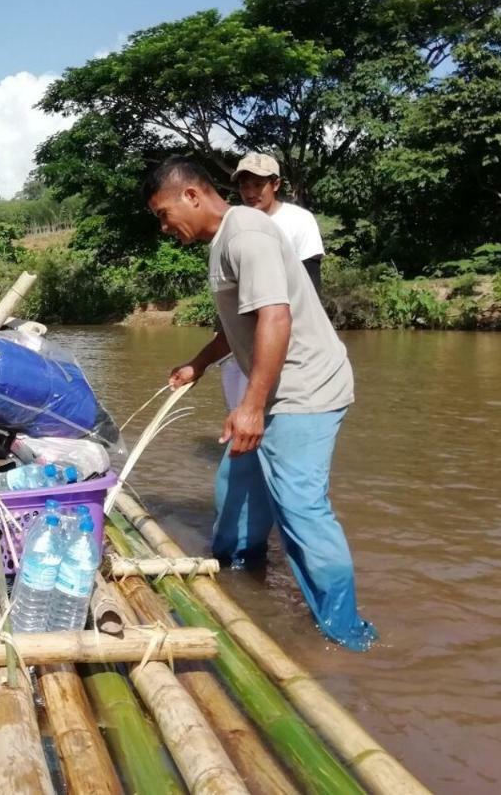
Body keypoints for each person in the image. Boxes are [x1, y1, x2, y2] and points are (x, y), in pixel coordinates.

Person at [144, 156, 377, 651]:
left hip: (305, 390)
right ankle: (237, 577)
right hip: (270, 390)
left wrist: (250, 406)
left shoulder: (247, 234)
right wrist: (199, 363)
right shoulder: (221, 243)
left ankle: (345, 630)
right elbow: (239, 327)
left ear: (192, 195)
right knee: (235, 489)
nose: (165, 227)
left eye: (164, 214)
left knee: (300, 506)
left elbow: (275, 318)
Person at [220, 152, 324, 412]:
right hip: (240, 337)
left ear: (275, 184)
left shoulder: (300, 221)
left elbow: (311, 286)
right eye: (244, 185)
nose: (250, 192)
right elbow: (229, 288)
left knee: (276, 410)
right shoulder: (232, 224)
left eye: (258, 184)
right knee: (240, 412)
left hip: (281, 332)